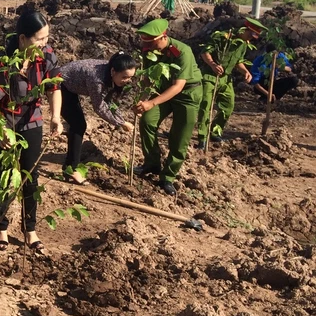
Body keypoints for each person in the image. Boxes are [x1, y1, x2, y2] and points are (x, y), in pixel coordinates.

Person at [0, 9, 64, 252]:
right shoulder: (2, 62)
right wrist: (2, 131)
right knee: (3, 176)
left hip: (31, 121)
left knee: (30, 177)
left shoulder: (47, 55)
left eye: (47, 37)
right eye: (39, 38)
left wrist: (55, 116)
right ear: (22, 39)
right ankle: (1, 229)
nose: (44, 43)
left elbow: (54, 87)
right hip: (3, 122)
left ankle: (30, 230)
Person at [133, 18, 203, 196]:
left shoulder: (181, 52)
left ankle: (168, 177)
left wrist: (152, 102)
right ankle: (152, 163)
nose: (146, 45)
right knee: (147, 121)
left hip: (187, 94)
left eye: (150, 41)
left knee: (180, 137)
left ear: (163, 37)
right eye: (144, 42)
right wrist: (142, 100)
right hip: (162, 90)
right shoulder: (149, 51)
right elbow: (147, 78)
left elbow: (178, 86)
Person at [58, 52, 137, 184]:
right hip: (60, 84)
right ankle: (71, 170)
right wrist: (120, 123)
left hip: (70, 88)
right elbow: (99, 107)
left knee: (77, 124)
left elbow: (109, 103)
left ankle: (70, 167)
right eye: (124, 77)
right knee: (78, 125)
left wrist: (122, 119)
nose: (127, 81)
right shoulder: (97, 79)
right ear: (113, 71)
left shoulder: (109, 74)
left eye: (130, 77)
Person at [195, 17, 261, 147]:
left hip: (226, 78)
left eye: (253, 37)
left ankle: (215, 132)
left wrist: (245, 72)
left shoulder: (243, 44)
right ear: (244, 30)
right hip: (210, 76)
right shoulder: (223, 37)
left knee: (228, 105)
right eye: (250, 34)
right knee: (205, 106)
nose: (251, 39)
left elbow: (238, 61)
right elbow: (205, 52)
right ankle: (203, 137)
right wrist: (213, 64)